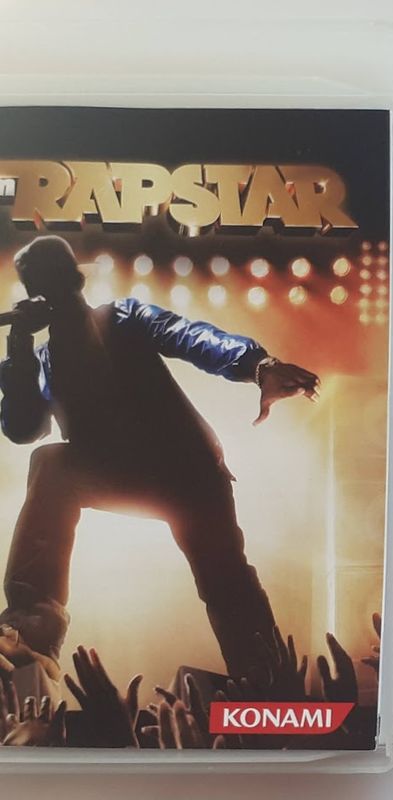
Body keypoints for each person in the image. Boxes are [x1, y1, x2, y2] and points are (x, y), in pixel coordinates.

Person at [0, 236, 319, 680]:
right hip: (116, 473)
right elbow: (23, 429)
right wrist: (17, 349)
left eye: (56, 280)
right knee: (50, 463)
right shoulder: (42, 360)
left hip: (186, 472)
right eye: (39, 285)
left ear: (75, 280)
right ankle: (32, 627)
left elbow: (191, 337)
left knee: (224, 577)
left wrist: (257, 365)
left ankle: (263, 674)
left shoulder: (123, 317)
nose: (50, 294)